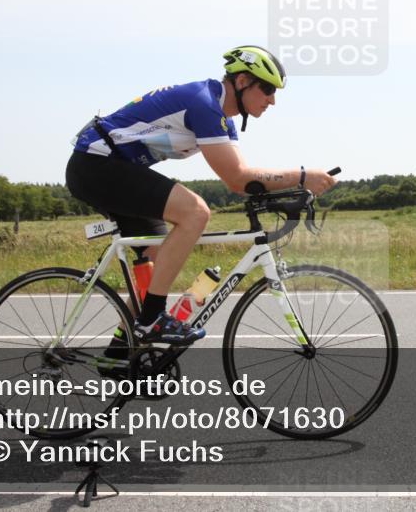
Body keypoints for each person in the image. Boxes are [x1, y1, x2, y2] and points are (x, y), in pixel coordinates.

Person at [66, 45, 337, 347]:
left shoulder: (222, 120)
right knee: (196, 212)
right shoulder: (204, 103)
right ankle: (152, 320)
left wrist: (292, 191)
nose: (272, 100)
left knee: (154, 263)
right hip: (96, 164)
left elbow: (244, 180)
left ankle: (120, 352)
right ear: (243, 81)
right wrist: (302, 176)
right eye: (268, 89)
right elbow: (237, 178)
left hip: (115, 169)